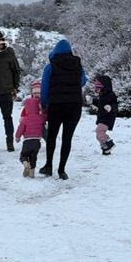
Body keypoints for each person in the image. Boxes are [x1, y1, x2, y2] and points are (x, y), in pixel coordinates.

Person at [39, 39, 87, 180]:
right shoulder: (78, 65)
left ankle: (48, 166)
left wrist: (43, 104)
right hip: (74, 106)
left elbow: (44, 87)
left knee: (52, 136)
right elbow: (83, 81)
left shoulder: (50, 66)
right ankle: (62, 170)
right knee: (67, 138)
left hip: (56, 106)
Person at [15, 79, 46, 178]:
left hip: (27, 140)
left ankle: (25, 163)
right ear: (32, 93)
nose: (37, 95)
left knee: (24, 155)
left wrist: (17, 137)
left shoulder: (27, 116)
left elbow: (20, 127)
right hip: (37, 139)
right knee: (34, 157)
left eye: (39, 93)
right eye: (35, 93)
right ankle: (31, 172)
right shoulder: (35, 112)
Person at [91, 74, 118, 155]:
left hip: (108, 117)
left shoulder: (111, 95)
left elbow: (115, 106)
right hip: (102, 117)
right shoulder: (102, 95)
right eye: (96, 87)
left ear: (104, 86)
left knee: (99, 131)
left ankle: (109, 143)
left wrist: (110, 107)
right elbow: (100, 105)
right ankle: (106, 149)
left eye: (98, 87)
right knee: (98, 134)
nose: (96, 90)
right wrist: (92, 101)